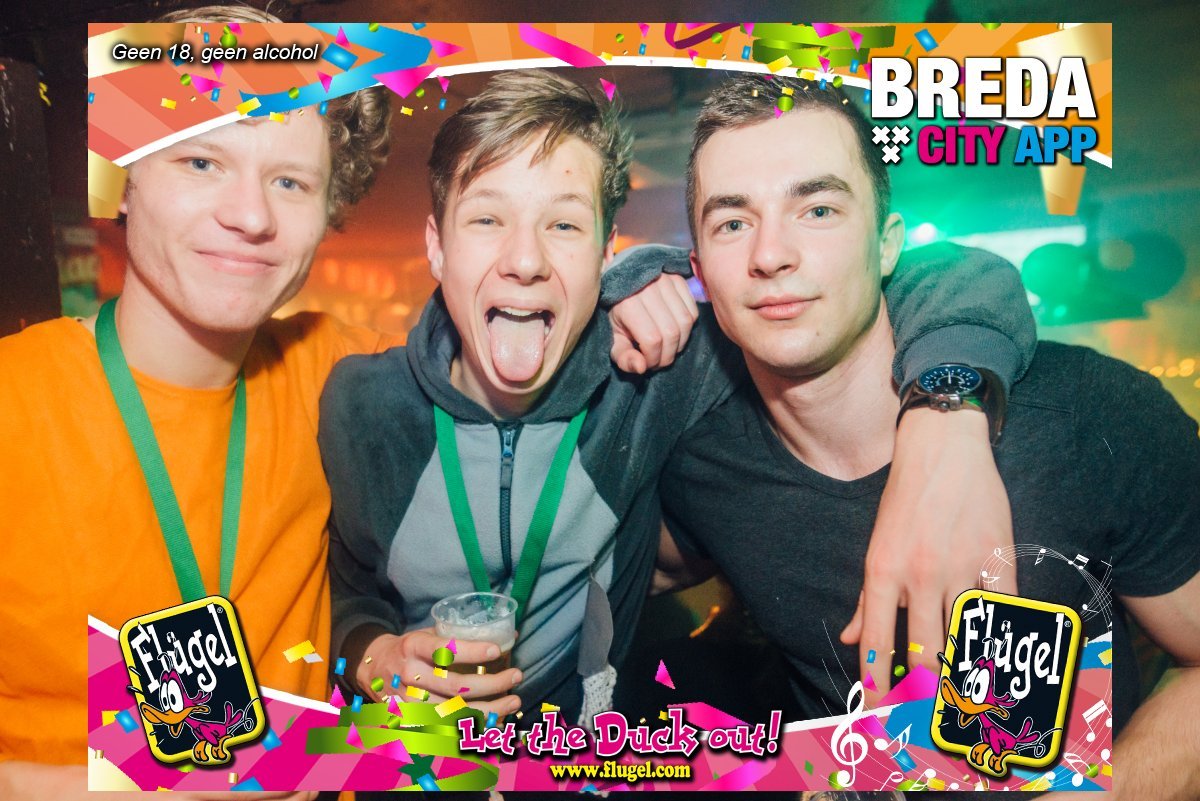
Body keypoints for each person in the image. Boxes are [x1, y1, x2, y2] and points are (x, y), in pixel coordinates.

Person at [318, 69, 1036, 727]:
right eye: (486, 219)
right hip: (414, 760)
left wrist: (946, 418)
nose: (526, 260)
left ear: (603, 252)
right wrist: (374, 657)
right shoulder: (361, 404)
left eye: (564, 224)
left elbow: (940, 278)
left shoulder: (653, 375)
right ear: (437, 246)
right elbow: (346, 601)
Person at [656, 73, 1200, 799]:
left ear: (888, 246)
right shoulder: (701, 466)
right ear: (699, 270)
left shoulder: (1087, 412)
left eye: (818, 209)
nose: (771, 253)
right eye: (732, 222)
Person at [0, 7, 394, 798]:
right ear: (124, 177)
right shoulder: (16, 403)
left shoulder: (342, 373)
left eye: (289, 181)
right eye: (202, 161)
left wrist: (632, 298)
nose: (250, 216)